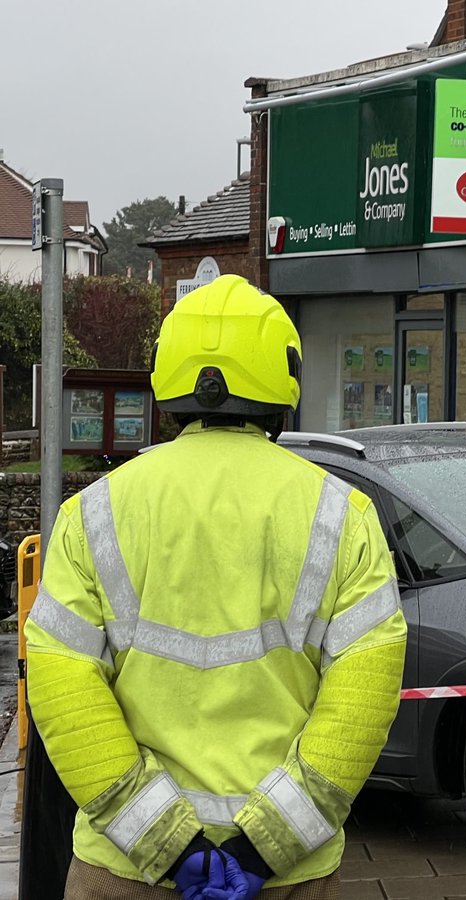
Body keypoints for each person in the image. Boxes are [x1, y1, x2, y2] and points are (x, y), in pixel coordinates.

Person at [24, 274, 408, 898]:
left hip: (126, 872)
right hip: (287, 876)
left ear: (168, 381)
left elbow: (64, 690)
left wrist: (170, 847)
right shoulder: (342, 516)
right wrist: (264, 848)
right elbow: (361, 703)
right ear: (283, 383)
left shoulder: (94, 512)